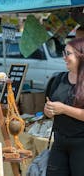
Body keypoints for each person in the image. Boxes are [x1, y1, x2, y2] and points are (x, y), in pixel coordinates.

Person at [44, 37, 84, 176]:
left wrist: (64, 109)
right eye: (63, 53)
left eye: (68, 54)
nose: (64, 57)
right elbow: (49, 107)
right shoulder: (59, 78)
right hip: (59, 142)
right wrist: (48, 110)